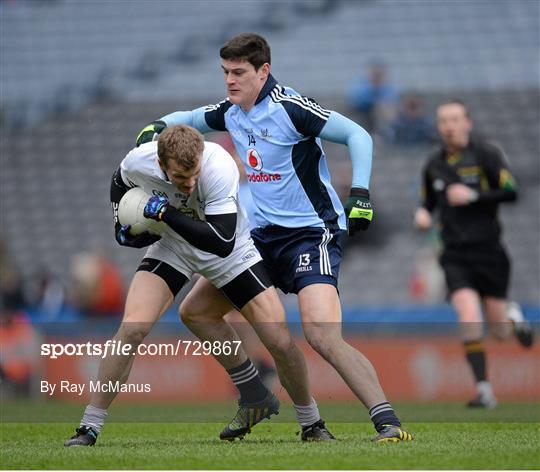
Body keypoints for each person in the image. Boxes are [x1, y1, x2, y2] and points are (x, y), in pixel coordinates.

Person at [136, 33, 412, 442]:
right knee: (195, 311)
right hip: (259, 239)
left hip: (309, 235)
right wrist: (159, 125)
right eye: (225, 72)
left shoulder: (291, 108)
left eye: (239, 72)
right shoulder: (232, 111)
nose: (230, 81)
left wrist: (360, 193)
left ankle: (388, 422)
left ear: (263, 71)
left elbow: (359, 135)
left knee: (320, 334)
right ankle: (257, 395)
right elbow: (191, 118)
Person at [65, 125, 333, 447]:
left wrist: (164, 213)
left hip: (230, 251)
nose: (190, 183)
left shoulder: (218, 165)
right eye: (180, 177)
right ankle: (89, 426)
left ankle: (311, 422)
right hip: (173, 246)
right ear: (161, 164)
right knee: (132, 328)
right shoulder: (137, 162)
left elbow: (220, 241)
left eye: (194, 174)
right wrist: (126, 230)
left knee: (277, 337)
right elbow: (120, 194)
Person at [414, 99, 534, 408]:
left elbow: (512, 191)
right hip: (454, 254)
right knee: (468, 315)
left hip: (490, 252)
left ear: (467, 122)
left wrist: (473, 195)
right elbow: (429, 202)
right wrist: (423, 215)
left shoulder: (486, 155)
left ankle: (512, 315)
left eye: (455, 119)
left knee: (500, 332)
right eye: (443, 121)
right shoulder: (434, 165)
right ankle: (484, 390)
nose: (449, 126)